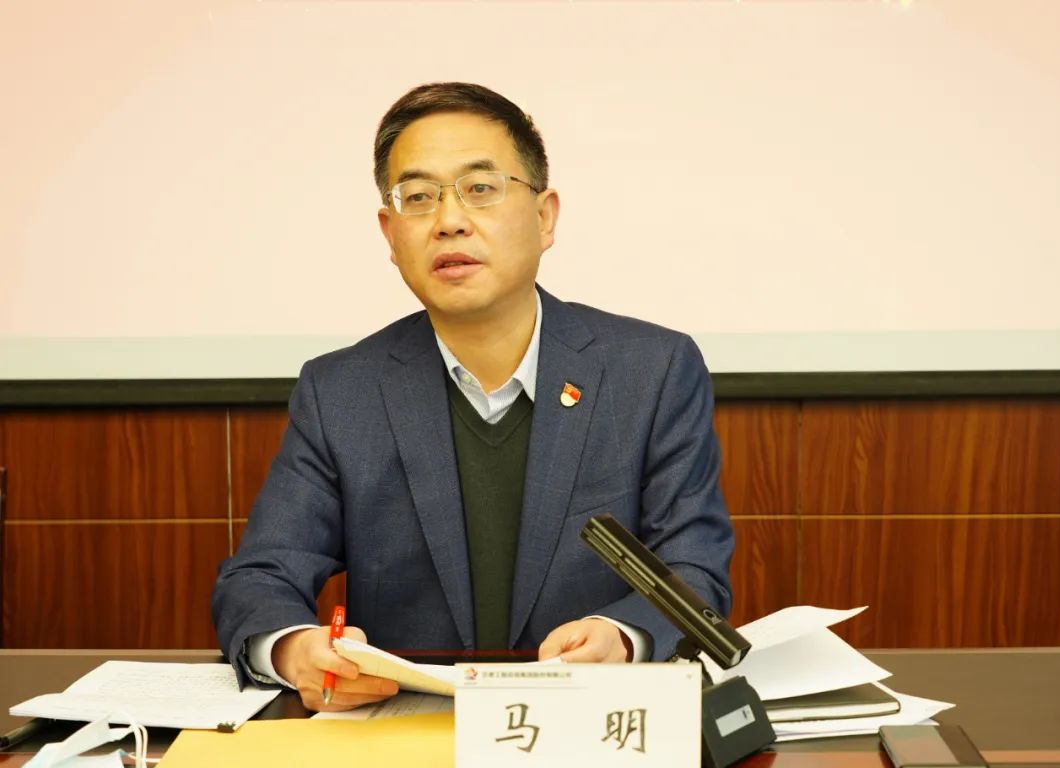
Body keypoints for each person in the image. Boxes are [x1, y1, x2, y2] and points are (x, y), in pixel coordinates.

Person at [212, 82, 735, 712]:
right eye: (418, 197)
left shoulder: (650, 371)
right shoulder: (342, 392)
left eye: (480, 188)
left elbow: (694, 570)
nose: (449, 220)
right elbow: (261, 575)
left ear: (544, 217)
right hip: (407, 732)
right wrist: (295, 649)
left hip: (591, 724)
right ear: (390, 233)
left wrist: (623, 636)